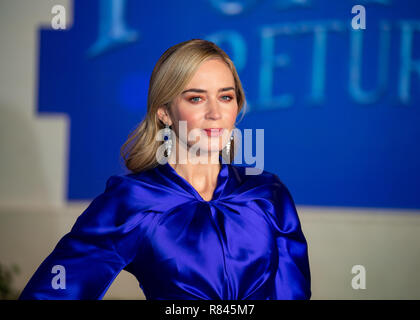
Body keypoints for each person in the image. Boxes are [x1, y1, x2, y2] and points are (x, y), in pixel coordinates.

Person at [19, 39, 311, 300]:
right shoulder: (132, 200)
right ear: (164, 112)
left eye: (226, 96)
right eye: (196, 98)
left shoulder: (267, 193)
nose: (215, 113)